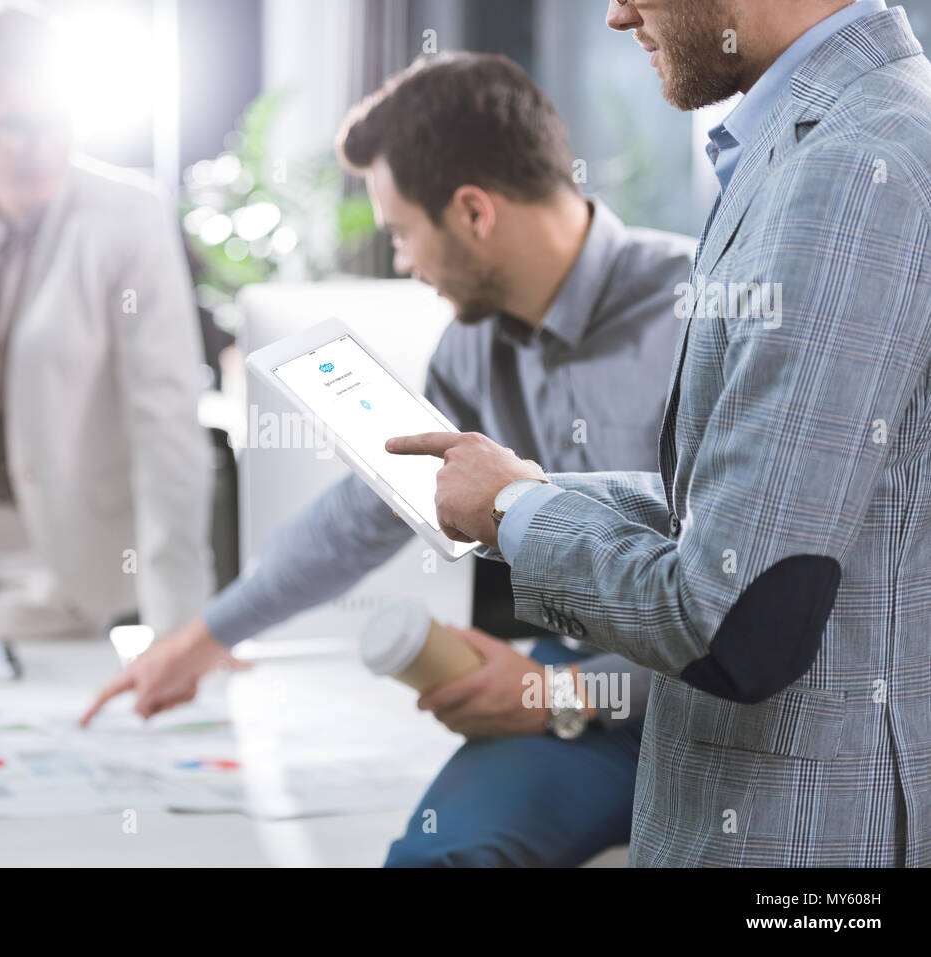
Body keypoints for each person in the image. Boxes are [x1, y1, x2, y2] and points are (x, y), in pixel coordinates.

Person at [83, 52, 696, 867]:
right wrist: (202, 637)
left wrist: (565, 693)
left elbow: (756, 599)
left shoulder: (703, 313)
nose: (403, 261)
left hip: (712, 705)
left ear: (474, 212)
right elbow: (365, 513)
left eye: (403, 232)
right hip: (577, 693)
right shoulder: (472, 350)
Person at [389, 0, 931, 866]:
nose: (616, 13)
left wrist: (516, 515)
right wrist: (521, 492)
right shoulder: (816, 142)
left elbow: (736, 616)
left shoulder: (850, 167)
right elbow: (746, 515)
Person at [0, 1, 214, 643]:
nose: (42, 147)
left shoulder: (130, 218)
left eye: (58, 120)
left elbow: (168, 419)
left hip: (65, 558)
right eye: (14, 124)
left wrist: (184, 622)